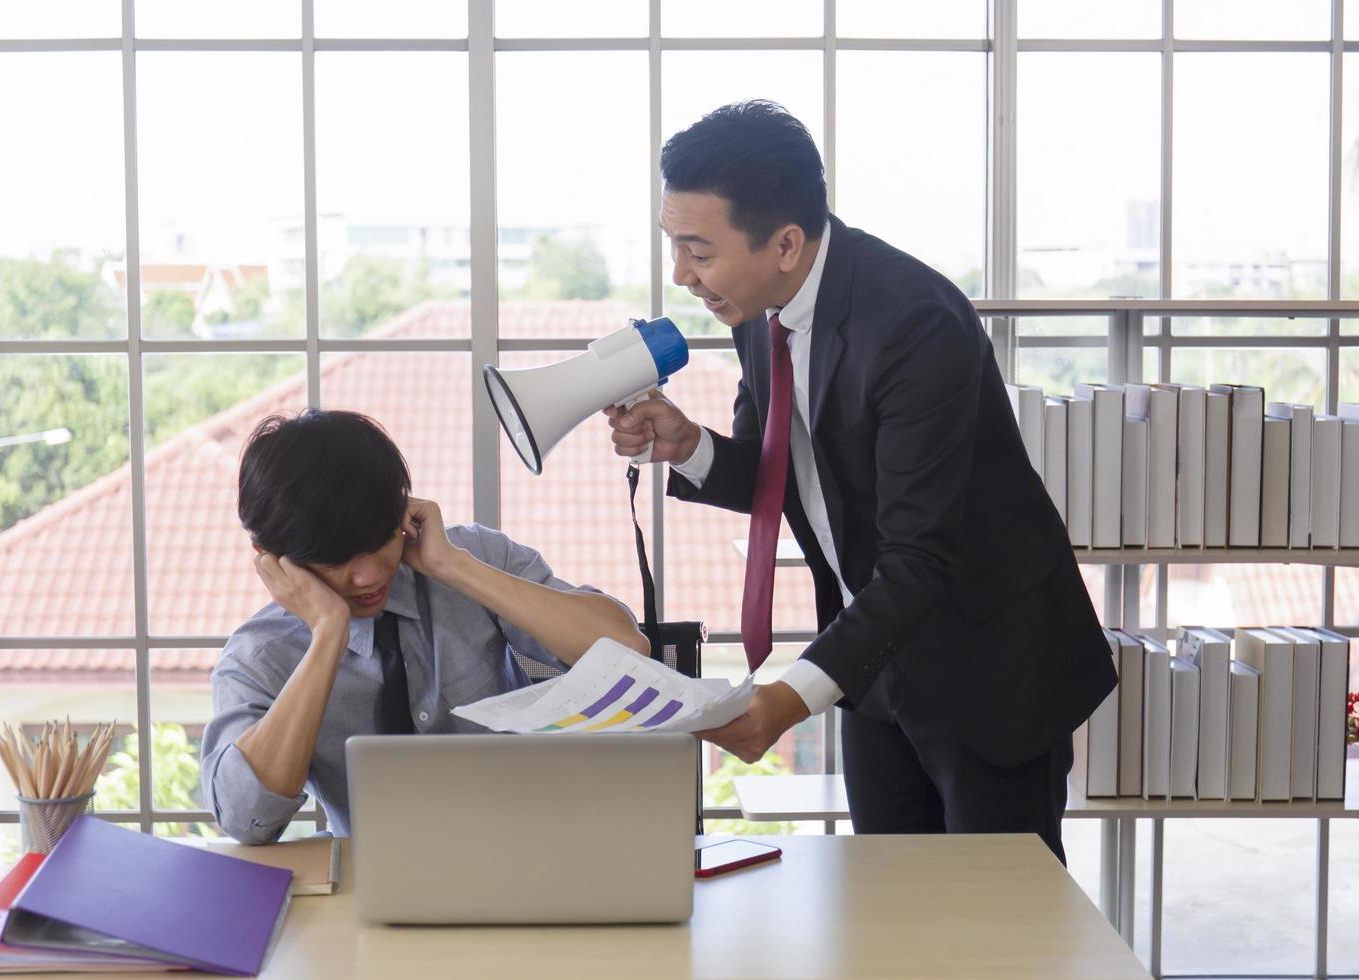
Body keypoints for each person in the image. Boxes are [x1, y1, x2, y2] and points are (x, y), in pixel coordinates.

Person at [606, 100, 1115, 861]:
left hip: (988, 670)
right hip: (875, 668)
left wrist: (790, 697)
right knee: (891, 911)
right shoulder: (756, 308)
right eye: (673, 247)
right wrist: (689, 448)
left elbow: (921, 558)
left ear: (784, 242)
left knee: (999, 926)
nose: (682, 276)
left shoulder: (915, 323)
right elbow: (780, 475)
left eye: (698, 251)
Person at [201, 409, 647, 844]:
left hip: (530, 853)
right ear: (269, 557)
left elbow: (627, 650)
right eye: (335, 560)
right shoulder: (260, 653)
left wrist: (451, 566)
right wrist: (327, 634)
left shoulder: (470, 557)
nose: (369, 576)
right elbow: (245, 820)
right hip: (372, 893)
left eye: (380, 541)